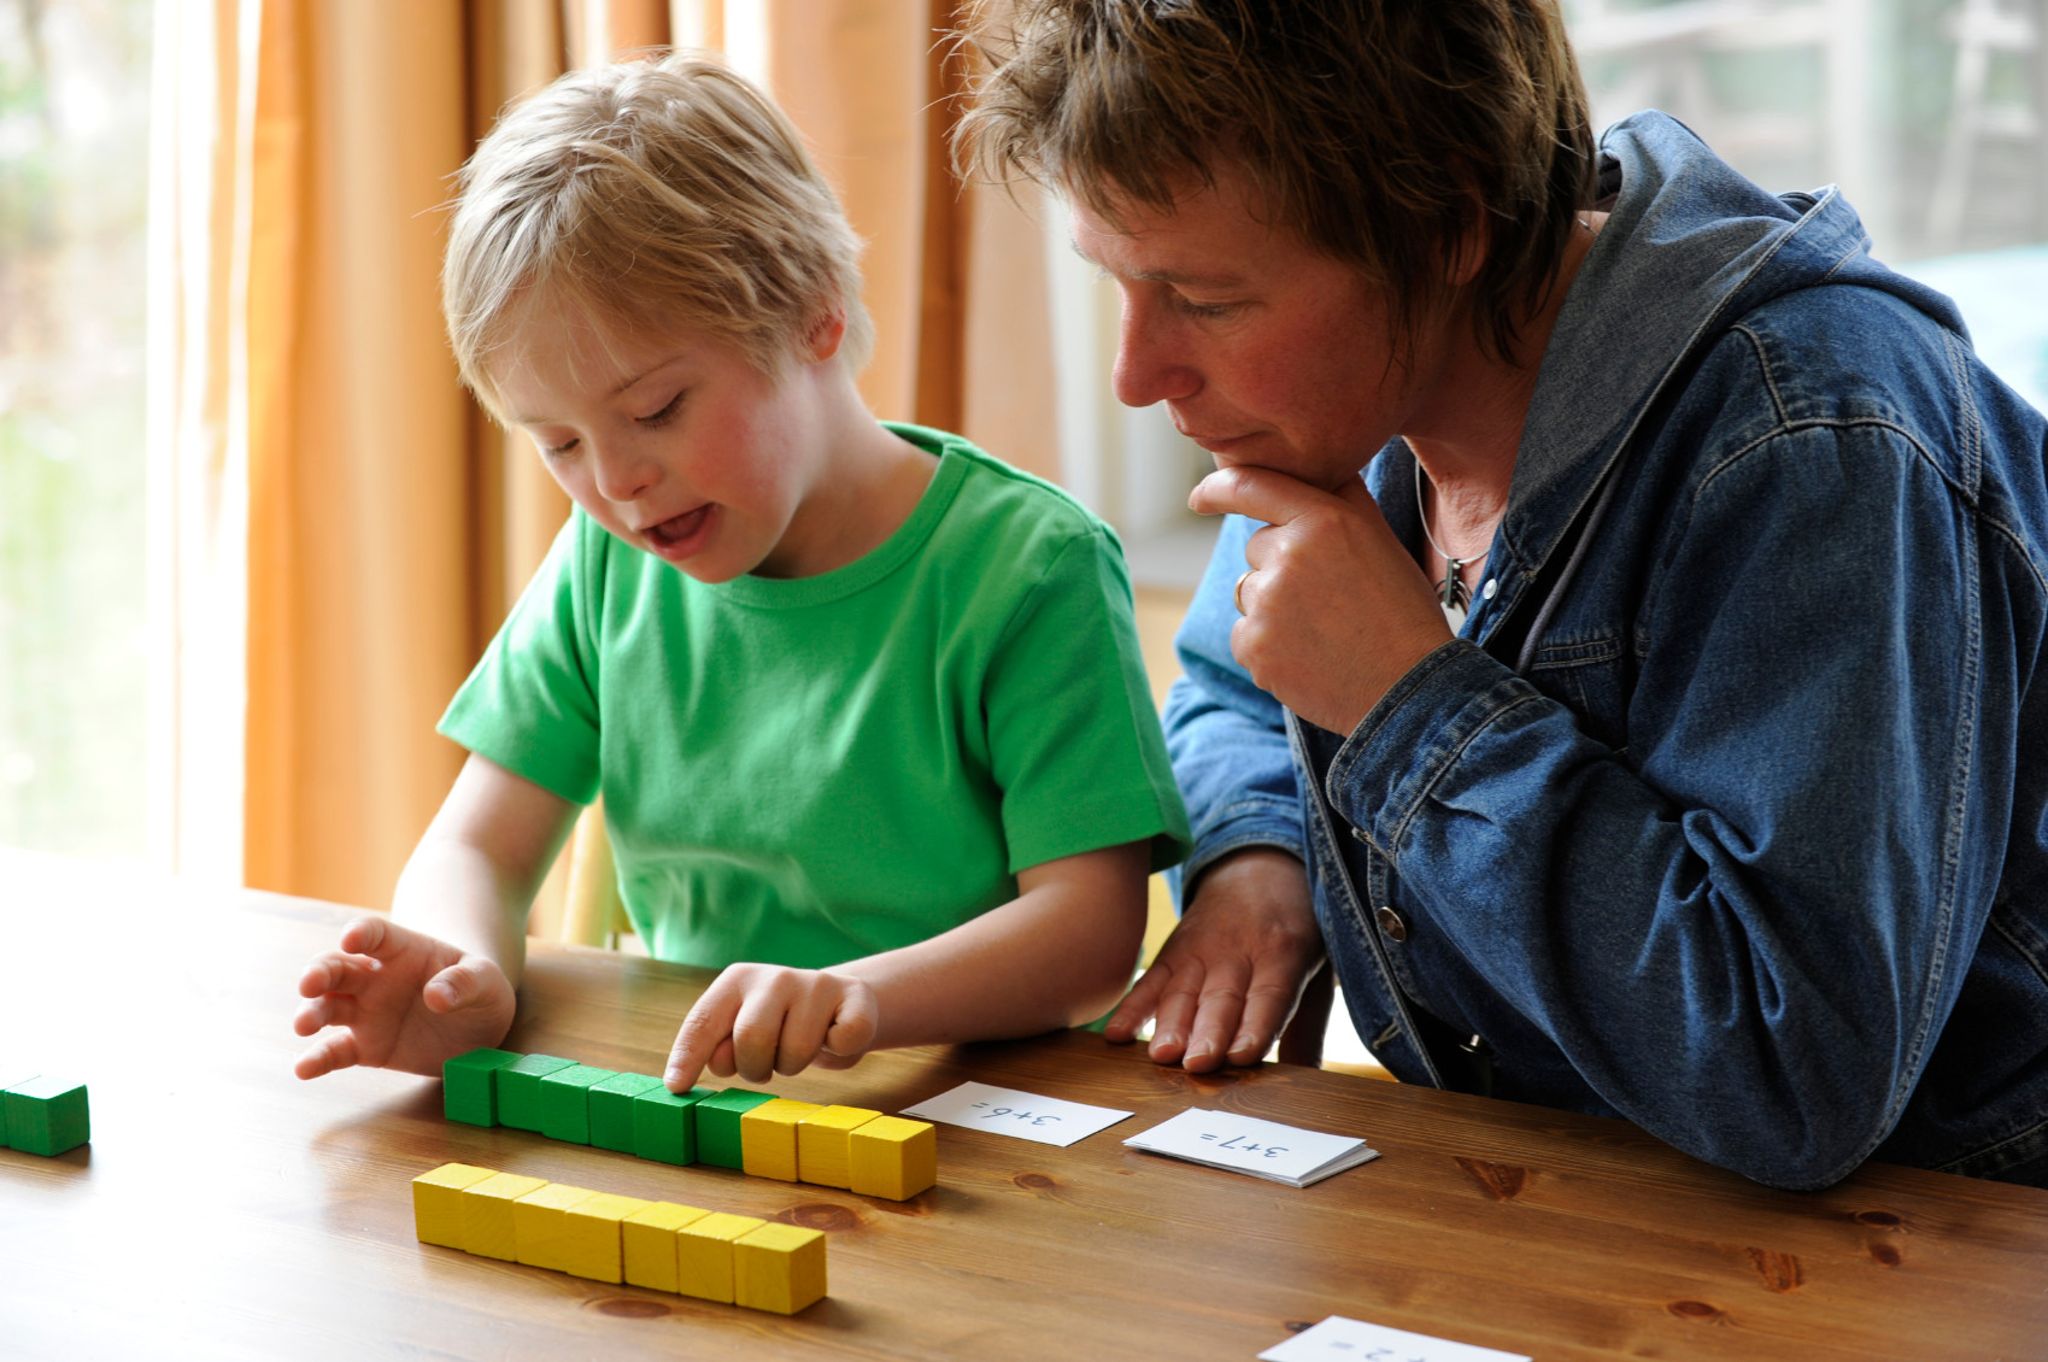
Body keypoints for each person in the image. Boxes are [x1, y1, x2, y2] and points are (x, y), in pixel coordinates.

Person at [954, 0, 2048, 1190]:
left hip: (1942, 1233)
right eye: (1113, 284)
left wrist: (1408, 700)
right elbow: (1236, 674)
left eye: (1207, 301)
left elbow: (1797, 1074)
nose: (1134, 375)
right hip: (1560, 1189)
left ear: (1448, 228)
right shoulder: (1341, 402)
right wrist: (1257, 861)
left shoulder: (1812, 433)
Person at [291, 52, 1190, 1097]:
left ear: (811, 311)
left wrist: (855, 1000)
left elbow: (1088, 936)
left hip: (968, 1121)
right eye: (559, 445)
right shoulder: (603, 568)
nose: (618, 482)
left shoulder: (1029, 569)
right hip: (695, 1097)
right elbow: (475, 849)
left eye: (656, 409)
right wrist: (464, 967)